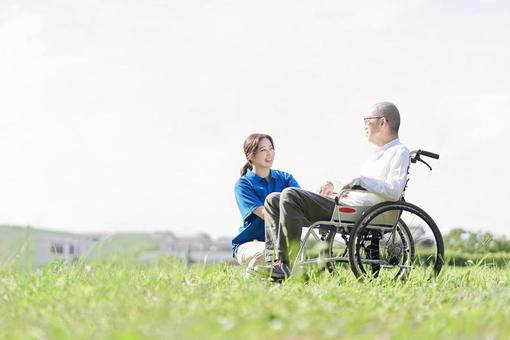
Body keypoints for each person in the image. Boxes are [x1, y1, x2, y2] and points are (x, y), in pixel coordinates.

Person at [260, 102, 410, 280]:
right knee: (272, 199)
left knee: (290, 194)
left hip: (360, 211)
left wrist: (360, 181)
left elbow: (393, 191)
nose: (364, 126)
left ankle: (286, 264)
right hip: (348, 203)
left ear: (382, 122)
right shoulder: (376, 155)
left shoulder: (399, 152)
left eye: (367, 120)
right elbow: (359, 184)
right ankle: (274, 261)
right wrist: (334, 185)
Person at [233, 133, 300, 271]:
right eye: (263, 150)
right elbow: (267, 214)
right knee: (269, 253)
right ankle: (253, 279)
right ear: (251, 156)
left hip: (280, 242)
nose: (269, 154)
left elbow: (301, 203)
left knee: (305, 255)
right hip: (251, 243)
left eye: (271, 149)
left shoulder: (286, 178)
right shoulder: (243, 184)